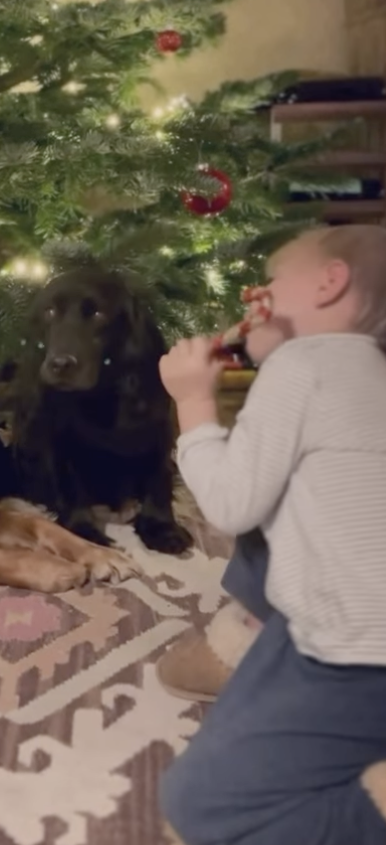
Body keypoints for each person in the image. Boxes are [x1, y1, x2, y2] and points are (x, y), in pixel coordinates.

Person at [157, 224, 386, 845]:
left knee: (194, 810)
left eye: (272, 281)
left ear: (329, 283)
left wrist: (193, 404)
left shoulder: (303, 364)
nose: (253, 295)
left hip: (356, 654)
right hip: (341, 627)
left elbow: (231, 505)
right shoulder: (367, 374)